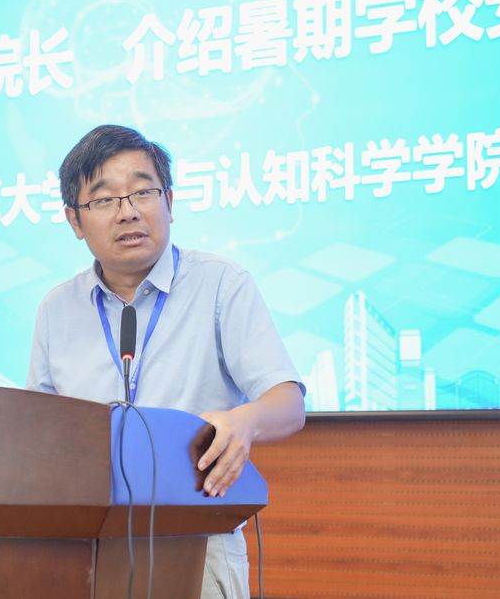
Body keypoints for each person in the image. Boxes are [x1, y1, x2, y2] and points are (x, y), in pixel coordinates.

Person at [27, 124, 306, 598]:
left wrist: (245, 422)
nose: (128, 211)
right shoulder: (58, 309)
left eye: (143, 192)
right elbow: (36, 430)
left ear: (169, 202)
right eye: (104, 199)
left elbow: (288, 402)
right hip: (85, 551)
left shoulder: (221, 284)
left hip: (199, 544)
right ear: (74, 221)